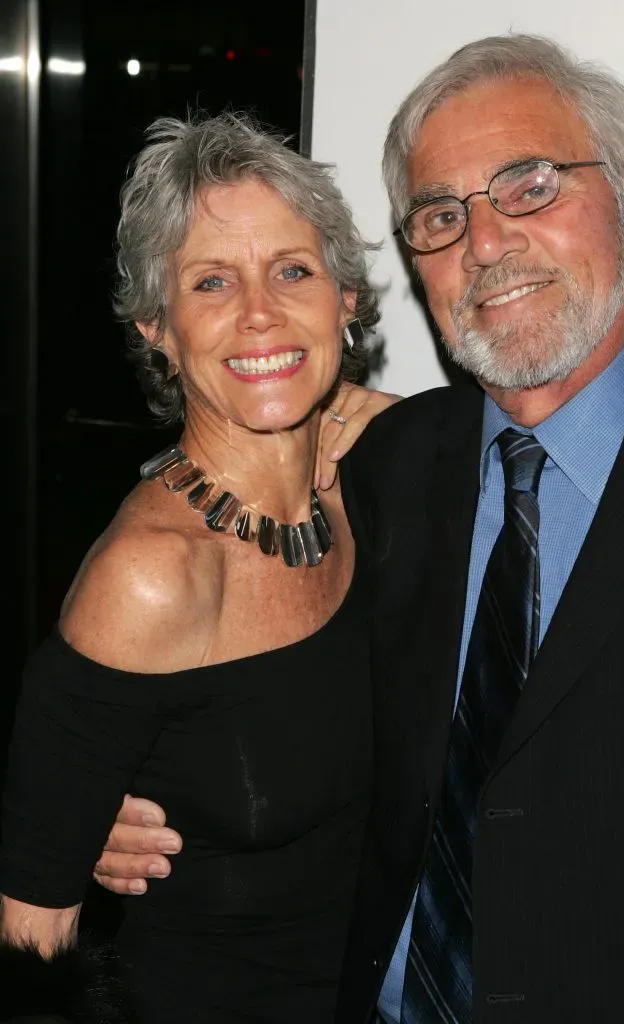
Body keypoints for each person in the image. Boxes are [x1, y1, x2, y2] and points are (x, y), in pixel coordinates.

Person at [93, 34, 624, 1024]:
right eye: (438, 214)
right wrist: (115, 792)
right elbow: (277, 719)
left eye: (529, 186)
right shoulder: (378, 476)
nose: (484, 241)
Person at [0, 112, 398, 1022]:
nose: (261, 312)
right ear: (157, 330)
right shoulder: (151, 576)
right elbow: (29, 944)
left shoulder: (383, 485)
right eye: (212, 281)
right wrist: (80, 829)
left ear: (346, 299)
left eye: (293, 271)